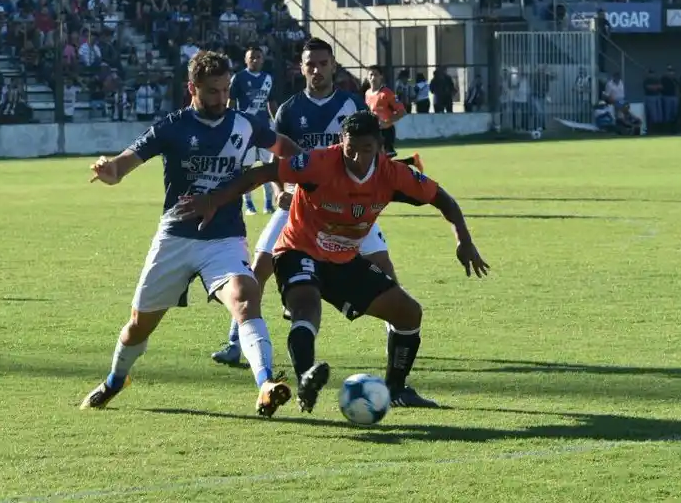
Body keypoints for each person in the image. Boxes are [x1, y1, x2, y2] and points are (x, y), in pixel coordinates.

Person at [178, 110, 490, 409]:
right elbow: (262, 172)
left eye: (366, 149)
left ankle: (396, 389)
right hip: (298, 250)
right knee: (306, 306)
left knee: (408, 314)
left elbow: (442, 198)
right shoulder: (318, 163)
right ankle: (305, 381)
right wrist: (213, 200)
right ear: (341, 143)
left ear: (380, 148)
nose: (356, 158)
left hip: (343, 260)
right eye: (350, 149)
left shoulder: (393, 174)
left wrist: (464, 240)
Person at [80, 51, 301, 417]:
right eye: (212, 91)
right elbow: (122, 166)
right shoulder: (172, 126)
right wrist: (108, 169)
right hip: (176, 238)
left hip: (224, 239)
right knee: (138, 328)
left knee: (246, 295)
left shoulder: (245, 124)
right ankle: (115, 381)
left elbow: (285, 149)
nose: (221, 99)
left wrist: (299, 174)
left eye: (226, 89)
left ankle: (265, 384)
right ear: (192, 88)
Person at [210, 38, 407, 366]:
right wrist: (278, 190)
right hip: (300, 206)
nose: (316, 69)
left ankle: (397, 342)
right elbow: (276, 155)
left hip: (349, 208)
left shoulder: (352, 105)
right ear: (301, 69)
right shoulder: (289, 110)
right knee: (258, 268)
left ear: (333, 66)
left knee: (385, 269)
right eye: (310, 64)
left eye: (322, 63)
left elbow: (375, 155)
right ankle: (235, 341)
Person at [229, 46, 278, 215]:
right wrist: (231, 124)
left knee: (268, 167)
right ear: (246, 59)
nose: (255, 60)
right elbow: (231, 102)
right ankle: (248, 204)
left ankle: (268, 203)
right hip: (245, 129)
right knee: (246, 167)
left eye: (258, 57)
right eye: (252, 57)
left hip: (264, 128)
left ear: (263, 59)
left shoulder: (268, 79)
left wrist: (276, 122)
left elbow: (271, 103)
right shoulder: (239, 78)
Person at [365, 64, 422, 169]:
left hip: (386, 133)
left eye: (376, 75)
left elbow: (402, 112)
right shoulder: (367, 94)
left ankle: (412, 162)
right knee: (378, 164)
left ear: (381, 76)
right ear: (367, 77)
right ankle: (413, 160)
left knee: (382, 165)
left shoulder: (387, 93)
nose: (373, 78)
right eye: (371, 75)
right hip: (374, 132)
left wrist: (387, 121)